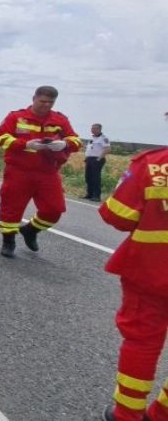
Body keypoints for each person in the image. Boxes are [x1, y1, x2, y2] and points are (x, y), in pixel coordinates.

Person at [98, 137, 168, 421]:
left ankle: (127, 414)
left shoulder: (153, 165)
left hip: (153, 270)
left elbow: (118, 216)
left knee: (142, 342)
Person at [0, 85, 81, 258]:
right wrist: (25, 144)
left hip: (48, 172)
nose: (46, 105)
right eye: (43, 101)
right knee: (11, 207)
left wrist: (64, 144)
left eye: (51, 102)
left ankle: (31, 230)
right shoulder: (16, 117)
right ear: (34, 99)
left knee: (54, 209)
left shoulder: (59, 119)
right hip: (18, 171)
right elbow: (1, 137)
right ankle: (8, 241)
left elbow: (76, 140)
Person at [85, 122, 111, 202]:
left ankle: (96, 196)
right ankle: (90, 194)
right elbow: (90, 148)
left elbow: (107, 149)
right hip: (89, 159)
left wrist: (99, 159)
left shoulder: (104, 138)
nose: (92, 130)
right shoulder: (91, 137)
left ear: (99, 129)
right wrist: (86, 158)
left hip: (97, 159)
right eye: (92, 128)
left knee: (95, 178)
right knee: (88, 177)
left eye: (94, 128)